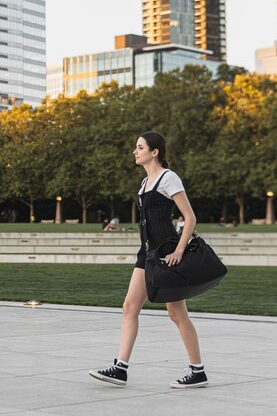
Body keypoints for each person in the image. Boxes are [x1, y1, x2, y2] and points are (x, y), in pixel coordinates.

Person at [89, 131, 208, 389]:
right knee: (130, 306)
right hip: (146, 253)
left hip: (166, 252)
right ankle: (120, 368)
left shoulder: (168, 177)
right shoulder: (144, 183)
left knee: (176, 313)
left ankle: (197, 371)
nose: (135, 151)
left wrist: (178, 249)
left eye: (140, 147)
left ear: (155, 152)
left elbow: (190, 217)